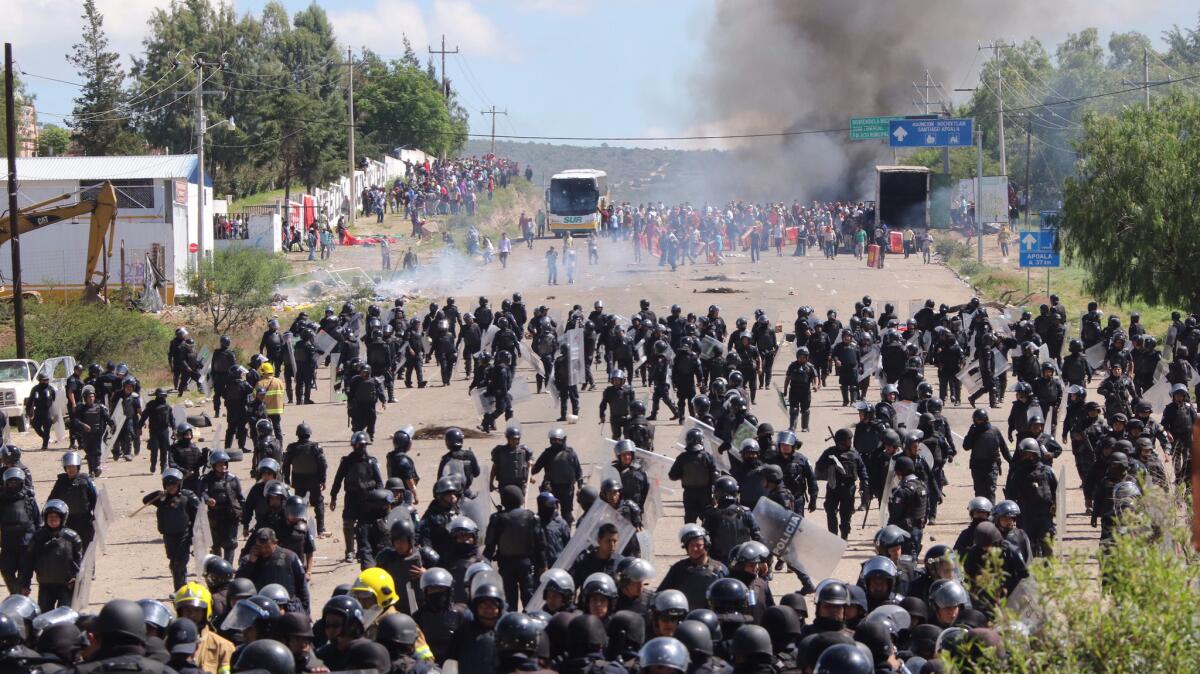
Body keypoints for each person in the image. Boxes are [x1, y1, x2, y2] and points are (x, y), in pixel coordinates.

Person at [484, 485, 545, 610]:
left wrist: (484, 564)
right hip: (526, 564)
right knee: (529, 597)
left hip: (506, 565)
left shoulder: (497, 518)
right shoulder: (531, 517)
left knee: (509, 599)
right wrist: (542, 564)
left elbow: (490, 545)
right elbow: (541, 544)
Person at [142, 468, 200, 592]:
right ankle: (180, 585)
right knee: (174, 563)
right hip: (168, 535)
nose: (171, 487)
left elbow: (198, 515)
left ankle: (179, 591)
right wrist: (157, 494)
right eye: (168, 485)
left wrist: (194, 534)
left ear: (179, 484)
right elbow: (145, 500)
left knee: (180, 563)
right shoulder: (162, 499)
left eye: (174, 484)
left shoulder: (186, 497)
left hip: (184, 535)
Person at [18, 499, 81, 611]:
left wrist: (77, 577)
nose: (53, 520)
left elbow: (79, 560)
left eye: (56, 517)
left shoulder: (72, 537)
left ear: (63, 518)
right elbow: (28, 562)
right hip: (45, 586)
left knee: (64, 616)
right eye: (50, 517)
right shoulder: (37, 538)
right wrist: (25, 585)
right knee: (44, 615)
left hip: (66, 586)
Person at [331, 432, 384, 563]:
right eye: (358, 445)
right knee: (348, 523)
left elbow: (379, 481)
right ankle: (349, 551)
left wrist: (380, 497)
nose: (361, 448)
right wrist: (333, 497)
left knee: (365, 525)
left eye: (363, 445)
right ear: (353, 446)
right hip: (351, 498)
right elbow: (338, 479)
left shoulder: (372, 462)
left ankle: (363, 550)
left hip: (368, 498)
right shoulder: (347, 462)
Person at [235, 528, 310, 614]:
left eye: (267, 547)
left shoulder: (289, 557)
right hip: (259, 608)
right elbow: (238, 584)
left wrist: (305, 610)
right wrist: (250, 563)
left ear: (275, 543)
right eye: (260, 547)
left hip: (286, 608)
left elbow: (302, 584)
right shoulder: (248, 560)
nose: (263, 550)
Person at [815, 429, 868, 540]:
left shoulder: (854, 453)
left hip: (848, 490)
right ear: (841, 441)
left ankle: (844, 537)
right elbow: (819, 466)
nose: (850, 441)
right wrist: (830, 463)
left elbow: (861, 468)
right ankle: (833, 537)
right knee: (830, 512)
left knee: (846, 516)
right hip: (833, 488)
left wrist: (864, 481)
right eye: (848, 439)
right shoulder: (829, 452)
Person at [197, 450, 245, 563]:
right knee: (215, 544)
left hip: (231, 515)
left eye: (224, 463)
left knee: (230, 544)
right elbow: (202, 493)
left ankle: (228, 566)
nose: (223, 466)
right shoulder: (207, 479)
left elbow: (240, 497)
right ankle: (217, 566)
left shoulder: (233, 479)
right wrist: (208, 500)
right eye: (219, 464)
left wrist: (244, 514)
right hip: (215, 516)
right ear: (214, 466)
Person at [282, 423, 329, 537]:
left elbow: (286, 465)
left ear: (297, 434)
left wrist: (287, 479)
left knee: (299, 504)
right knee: (318, 502)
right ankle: (321, 529)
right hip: (313, 480)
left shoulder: (292, 448)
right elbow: (323, 464)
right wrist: (323, 479)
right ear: (309, 434)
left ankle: (299, 527)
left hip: (298, 480)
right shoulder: (315, 447)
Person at [48, 451, 98, 553]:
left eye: (73, 467)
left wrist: (95, 516)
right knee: (68, 551)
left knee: (87, 552)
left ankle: (89, 569)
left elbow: (95, 499)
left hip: (84, 521)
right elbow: (52, 500)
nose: (71, 469)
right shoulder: (61, 482)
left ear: (78, 467)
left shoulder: (85, 481)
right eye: (68, 467)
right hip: (67, 521)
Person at [532, 428, 584, 526]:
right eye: (553, 440)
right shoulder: (547, 453)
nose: (555, 442)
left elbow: (578, 471)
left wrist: (580, 487)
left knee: (567, 515)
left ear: (564, 439)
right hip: (551, 488)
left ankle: (567, 537)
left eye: (558, 440)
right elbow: (536, 468)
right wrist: (530, 470)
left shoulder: (571, 453)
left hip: (567, 489)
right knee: (549, 514)